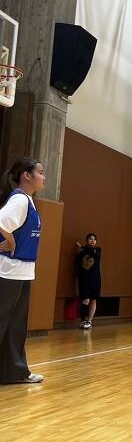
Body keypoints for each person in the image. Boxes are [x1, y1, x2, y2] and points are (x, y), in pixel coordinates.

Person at [0, 158, 45, 384]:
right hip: (9, 272)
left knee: (14, 326)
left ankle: (14, 372)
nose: (44, 177)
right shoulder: (19, 200)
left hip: (22, 271)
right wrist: (8, 241)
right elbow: (1, 222)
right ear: (26, 175)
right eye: (40, 172)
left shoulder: (28, 201)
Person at [75, 233, 102, 330]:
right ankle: (83, 320)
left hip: (95, 279)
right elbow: (78, 265)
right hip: (84, 279)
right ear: (86, 240)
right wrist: (82, 249)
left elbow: (94, 255)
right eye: (90, 239)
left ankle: (89, 321)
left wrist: (82, 247)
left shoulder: (98, 250)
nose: (93, 241)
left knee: (93, 299)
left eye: (94, 239)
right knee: (85, 300)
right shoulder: (81, 252)